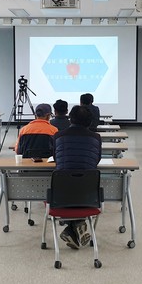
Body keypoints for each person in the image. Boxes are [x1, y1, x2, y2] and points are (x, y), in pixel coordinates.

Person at [53, 106, 102, 249]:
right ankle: (78, 224)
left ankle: (72, 228)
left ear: (70, 119)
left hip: (60, 195)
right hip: (89, 194)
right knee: (79, 184)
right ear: (89, 122)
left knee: (68, 182)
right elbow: (96, 160)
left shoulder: (58, 136)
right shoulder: (96, 138)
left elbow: (57, 159)